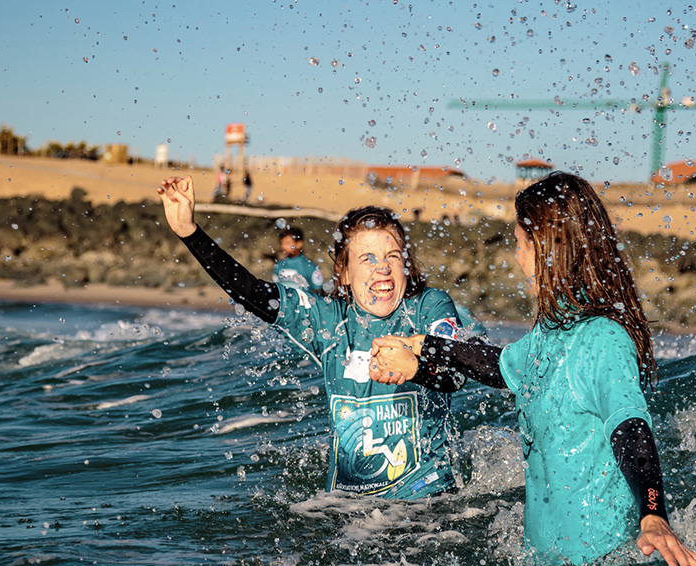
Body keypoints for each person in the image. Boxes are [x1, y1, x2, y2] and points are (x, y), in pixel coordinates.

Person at [368, 172, 696, 566]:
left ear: (545, 248)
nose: (516, 258)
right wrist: (422, 347)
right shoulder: (551, 333)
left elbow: (631, 425)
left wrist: (653, 513)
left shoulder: (602, 338)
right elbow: (499, 365)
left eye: (519, 245)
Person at [156, 176, 467, 500]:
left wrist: (416, 368)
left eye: (392, 256)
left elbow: (457, 372)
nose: (383, 269)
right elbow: (252, 293)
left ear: (406, 264)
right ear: (344, 272)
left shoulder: (429, 307)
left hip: (429, 506)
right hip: (345, 510)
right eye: (368, 259)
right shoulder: (327, 320)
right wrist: (191, 234)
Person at [272, 226, 325, 295]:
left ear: (299, 244)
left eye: (287, 243)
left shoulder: (311, 267)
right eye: (282, 243)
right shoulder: (279, 265)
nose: (283, 247)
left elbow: (319, 293)